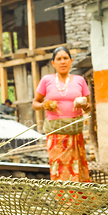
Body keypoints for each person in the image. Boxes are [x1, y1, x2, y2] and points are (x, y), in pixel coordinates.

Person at [32, 46, 91, 182]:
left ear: (71, 61)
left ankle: (78, 201)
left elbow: (89, 107)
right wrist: (44, 105)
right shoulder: (46, 80)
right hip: (55, 134)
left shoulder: (79, 80)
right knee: (58, 168)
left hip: (75, 133)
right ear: (53, 63)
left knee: (77, 168)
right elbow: (35, 103)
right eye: (58, 59)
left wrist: (84, 105)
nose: (62, 62)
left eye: (65, 58)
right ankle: (63, 201)